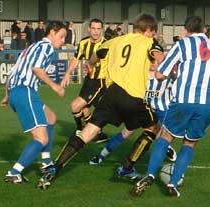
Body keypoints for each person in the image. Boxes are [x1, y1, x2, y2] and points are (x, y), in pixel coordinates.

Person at [38, 14, 165, 190]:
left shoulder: (116, 41)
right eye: (153, 33)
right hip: (133, 97)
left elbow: (96, 55)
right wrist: (164, 69)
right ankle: (126, 168)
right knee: (153, 127)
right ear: (148, 30)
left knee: (87, 132)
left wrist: (89, 65)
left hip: (110, 95)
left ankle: (55, 168)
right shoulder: (148, 42)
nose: (153, 36)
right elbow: (159, 57)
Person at [132, 16, 210, 198]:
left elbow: (159, 74)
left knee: (165, 136)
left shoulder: (182, 45)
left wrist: (164, 74)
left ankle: (149, 175)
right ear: (205, 30)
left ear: (185, 31)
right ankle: (173, 184)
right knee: (190, 143)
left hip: (183, 100)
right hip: (209, 103)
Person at [0, 21, 66, 184]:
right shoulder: (46, 47)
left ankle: (45, 162)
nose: (63, 40)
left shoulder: (31, 47)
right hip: (25, 92)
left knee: (50, 117)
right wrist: (55, 86)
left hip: (18, 92)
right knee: (41, 139)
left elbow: (12, 72)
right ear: (52, 32)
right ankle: (14, 172)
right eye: (62, 36)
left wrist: (7, 95)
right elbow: (37, 68)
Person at [61, 18, 108, 143]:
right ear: (89, 29)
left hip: (100, 82)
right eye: (93, 28)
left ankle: (80, 130)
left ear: (102, 30)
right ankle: (99, 134)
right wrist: (67, 74)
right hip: (88, 81)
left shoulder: (107, 44)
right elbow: (76, 59)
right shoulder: (83, 43)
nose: (96, 32)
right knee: (85, 109)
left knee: (75, 106)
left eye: (99, 29)